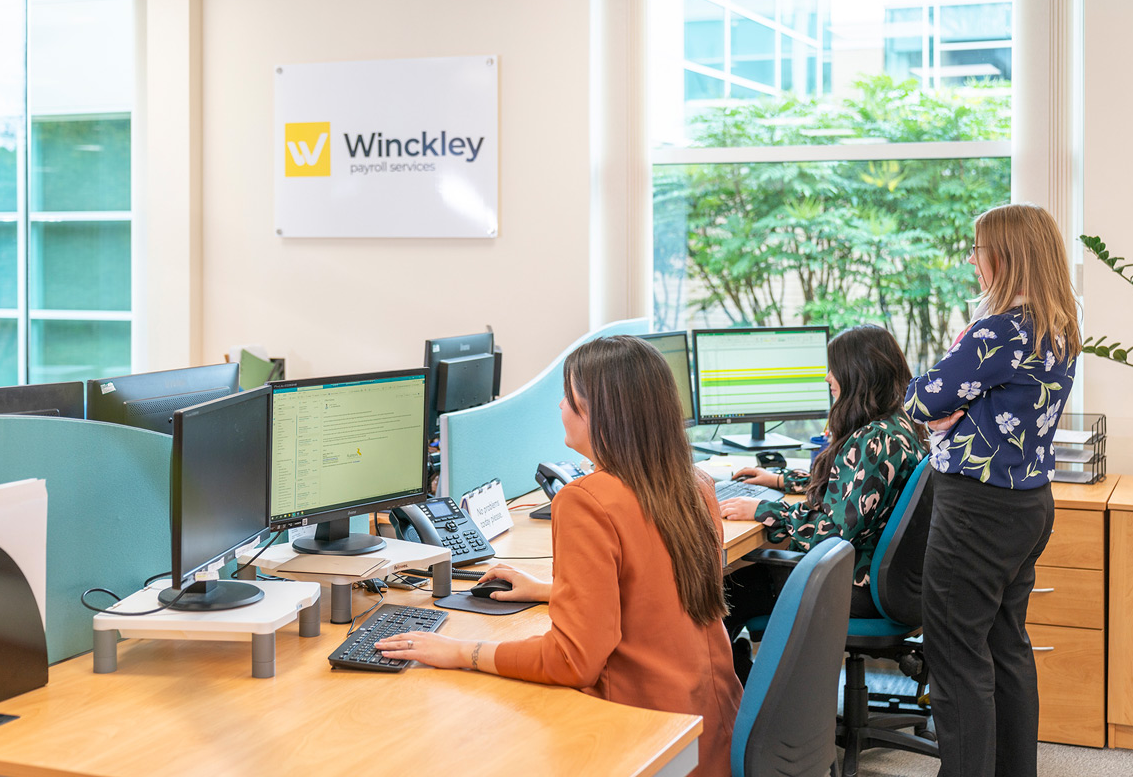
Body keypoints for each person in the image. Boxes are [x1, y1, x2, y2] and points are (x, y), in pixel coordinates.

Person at [375, 335, 743, 777]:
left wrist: (462, 652)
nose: (561, 407)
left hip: (645, 736)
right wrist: (552, 590)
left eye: (570, 398)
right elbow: (654, 593)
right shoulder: (694, 484)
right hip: (712, 730)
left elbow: (572, 661)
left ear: (598, 414)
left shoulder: (587, 501)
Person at [904, 203, 1080, 777]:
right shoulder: (1057, 326)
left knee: (956, 653)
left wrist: (949, 405)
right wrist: (963, 404)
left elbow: (921, 399)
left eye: (976, 251)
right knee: (1006, 646)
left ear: (1002, 257)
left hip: (977, 508)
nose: (972, 261)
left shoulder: (998, 330)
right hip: (1027, 504)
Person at [719, 325, 927, 682]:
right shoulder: (897, 426)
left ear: (857, 373)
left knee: (723, 594)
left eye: (835, 368)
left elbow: (830, 531)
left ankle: (738, 696)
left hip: (852, 584)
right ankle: (739, 677)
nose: (828, 377)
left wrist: (764, 510)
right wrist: (781, 480)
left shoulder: (874, 439)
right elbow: (855, 485)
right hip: (885, 583)